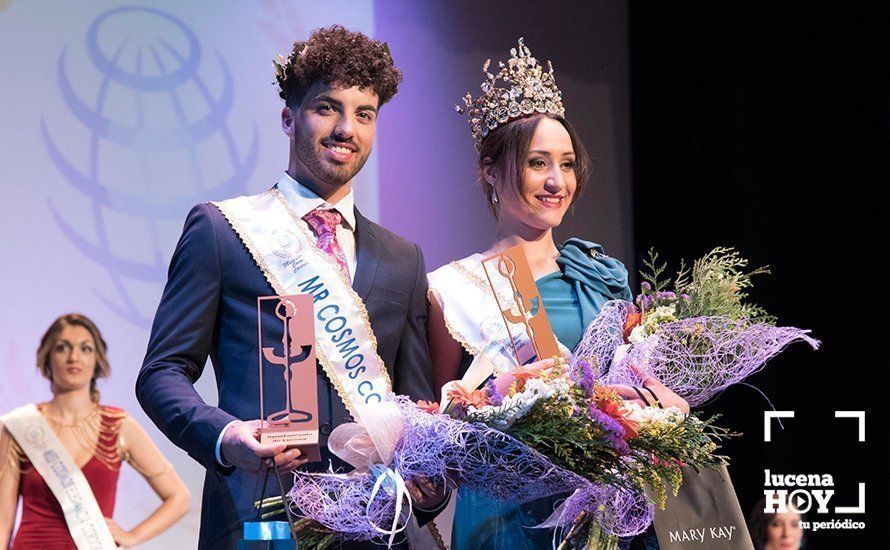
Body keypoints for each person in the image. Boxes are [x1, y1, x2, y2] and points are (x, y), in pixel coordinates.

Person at [136, 25, 445, 549]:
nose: (347, 128)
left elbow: (414, 403)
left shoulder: (402, 258)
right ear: (288, 118)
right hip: (259, 518)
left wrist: (430, 484)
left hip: (374, 528)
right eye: (327, 107)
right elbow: (161, 373)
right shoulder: (222, 231)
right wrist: (224, 435)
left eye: (364, 115)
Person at [427, 39, 687, 549]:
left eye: (566, 164)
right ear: (489, 170)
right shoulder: (450, 288)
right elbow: (442, 431)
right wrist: (498, 397)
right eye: (537, 162)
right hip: (504, 518)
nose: (556, 181)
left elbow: (638, 382)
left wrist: (659, 404)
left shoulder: (600, 275)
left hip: (605, 508)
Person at [0, 314, 190, 549]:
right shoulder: (21, 426)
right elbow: (2, 522)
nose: (74, 357)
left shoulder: (118, 426)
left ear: (97, 360)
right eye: (62, 347)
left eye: (86, 348)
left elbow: (180, 498)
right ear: (47, 358)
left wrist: (133, 536)